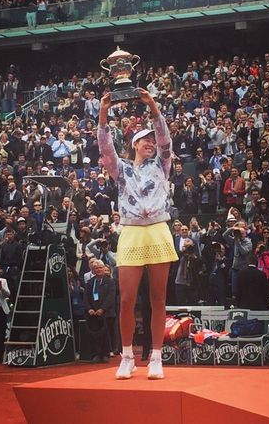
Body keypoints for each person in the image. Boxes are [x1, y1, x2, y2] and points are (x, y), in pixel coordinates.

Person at [98, 88, 178, 380]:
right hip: (131, 232)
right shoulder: (120, 170)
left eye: (151, 140)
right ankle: (127, 356)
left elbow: (166, 138)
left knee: (158, 299)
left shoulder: (162, 164)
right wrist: (104, 111)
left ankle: (156, 357)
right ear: (133, 144)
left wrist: (153, 106)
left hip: (158, 230)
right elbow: (105, 147)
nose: (150, 143)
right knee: (127, 299)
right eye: (144, 139)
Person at [83, 260, 116, 363]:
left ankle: (105, 354)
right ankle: (96, 354)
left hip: (106, 313)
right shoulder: (90, 282)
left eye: (100, 268)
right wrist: (89, 309)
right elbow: (86, 297)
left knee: (105, 334)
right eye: (96, 268)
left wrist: (102, 309)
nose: (99, 270)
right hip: (93, 314)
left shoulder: (109, 282)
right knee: (94, 334)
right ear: (93, 270)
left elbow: (111, 297)